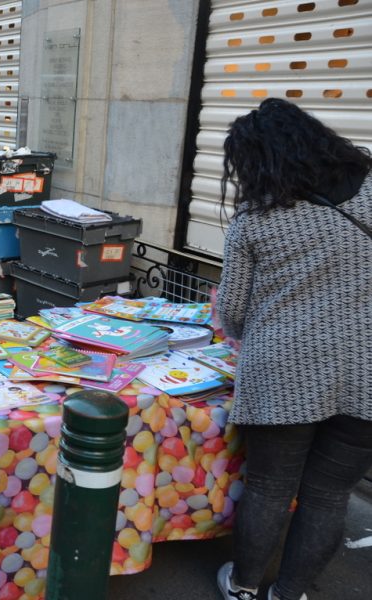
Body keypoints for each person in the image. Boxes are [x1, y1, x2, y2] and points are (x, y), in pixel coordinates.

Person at [214, 98, 372, 600]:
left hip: (283, 372)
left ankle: (242, 587)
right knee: (329, 495)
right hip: (368, 373)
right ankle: (290, 593)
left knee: (269, 487)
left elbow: (233, 312)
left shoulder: (257, 217)